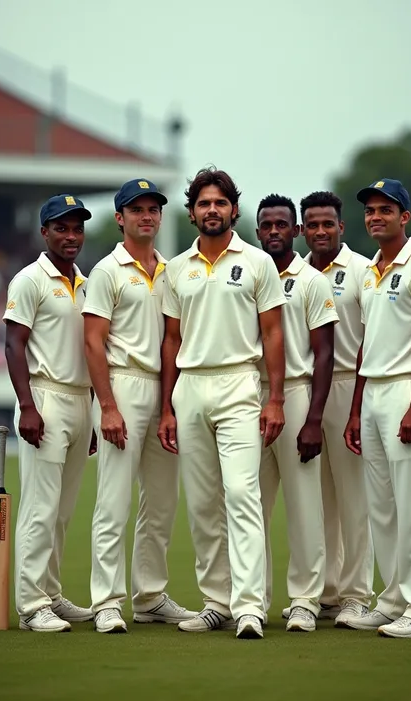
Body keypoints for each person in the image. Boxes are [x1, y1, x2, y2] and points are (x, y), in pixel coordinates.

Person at [159, 167, 287, 639]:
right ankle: (218, 601)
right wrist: (167, 408)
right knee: (203, 504)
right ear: (191, 212)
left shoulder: (257, 263)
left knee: (241, 494)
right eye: (203, 203)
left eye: (220, 203)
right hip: (190, 386)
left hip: (238, 384)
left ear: (234, 209)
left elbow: (274, 333)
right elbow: (170, 342)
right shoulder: (177, 268)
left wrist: (274, 399)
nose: (212, 210)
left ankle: (250, 606)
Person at [83, 179, 197, 634]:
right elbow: (93, 341)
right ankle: (106, 601)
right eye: (137, 210)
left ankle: (149, 596)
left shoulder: (171, 270)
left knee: (162, 501)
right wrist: (107, 406)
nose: (146, 216)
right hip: (124, 386)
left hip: (167, 389)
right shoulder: (108, 270)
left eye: (153, 209)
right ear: (120, 218)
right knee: (113, 499)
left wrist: (171, 403)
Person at [344, 178, 411, 638]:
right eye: (370, 211)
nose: (375, 217)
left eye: (385, 210)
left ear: (404, 217)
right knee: (382, 507)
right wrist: (355, 409)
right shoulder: (371, 270)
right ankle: (392, 600)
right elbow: (367, 343)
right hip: (373, 395)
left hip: (408, 391)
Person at [3, 194, 95, 632]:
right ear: (45, 232)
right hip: (45, 396)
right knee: (40, 507)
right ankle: (30, 603)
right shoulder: (29, 280)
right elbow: (13, 344)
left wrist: (93, 413)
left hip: (80, 400)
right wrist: (27, 407)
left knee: (62, 509)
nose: (71, 236)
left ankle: (52, 594)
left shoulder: (86, 280)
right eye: (62, 228)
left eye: (77, 228)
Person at [256, 194, 339, 632]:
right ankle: (251, 599)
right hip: (249, 397)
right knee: (249, 505)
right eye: (266, 225)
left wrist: (313, 420)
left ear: (296, 231)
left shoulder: (311, 280)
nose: (274, 231)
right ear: (257, 232)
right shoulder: (248, 272)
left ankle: (306, 600)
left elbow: (324, 354)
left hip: (296, 392)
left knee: (305, 504)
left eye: (282, 225)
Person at [299, 191, 374, 626]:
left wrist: (357, 408)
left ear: (341, 227)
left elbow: (368, 340)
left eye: (328, 223)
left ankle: (357, 594)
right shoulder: (295, 271)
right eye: (313, 224)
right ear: (302, 230)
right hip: (306, 391)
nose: (321, 231)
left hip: (347, 385)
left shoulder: (362, 271)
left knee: (353, 499)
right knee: (317, 498)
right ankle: (326, 591)